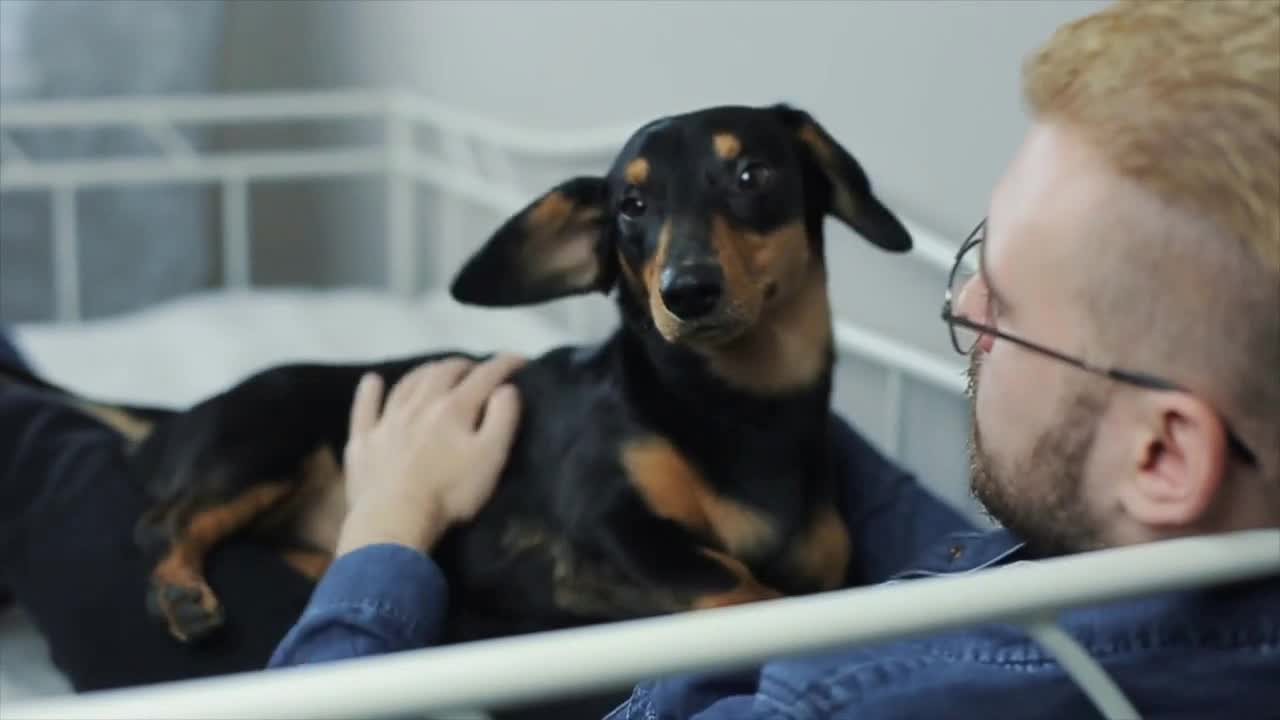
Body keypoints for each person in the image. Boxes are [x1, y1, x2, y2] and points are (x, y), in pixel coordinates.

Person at [0, 0, 1275, 717]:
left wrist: (388, 524)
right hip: (458, 545)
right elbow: (897, 528)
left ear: (1164, 449)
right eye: (973, 255)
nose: (961, 313)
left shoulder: (864, 699)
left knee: (39, 448)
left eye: (1000, 311)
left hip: (379, 647)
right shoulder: (1105, 576)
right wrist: (756, 386)